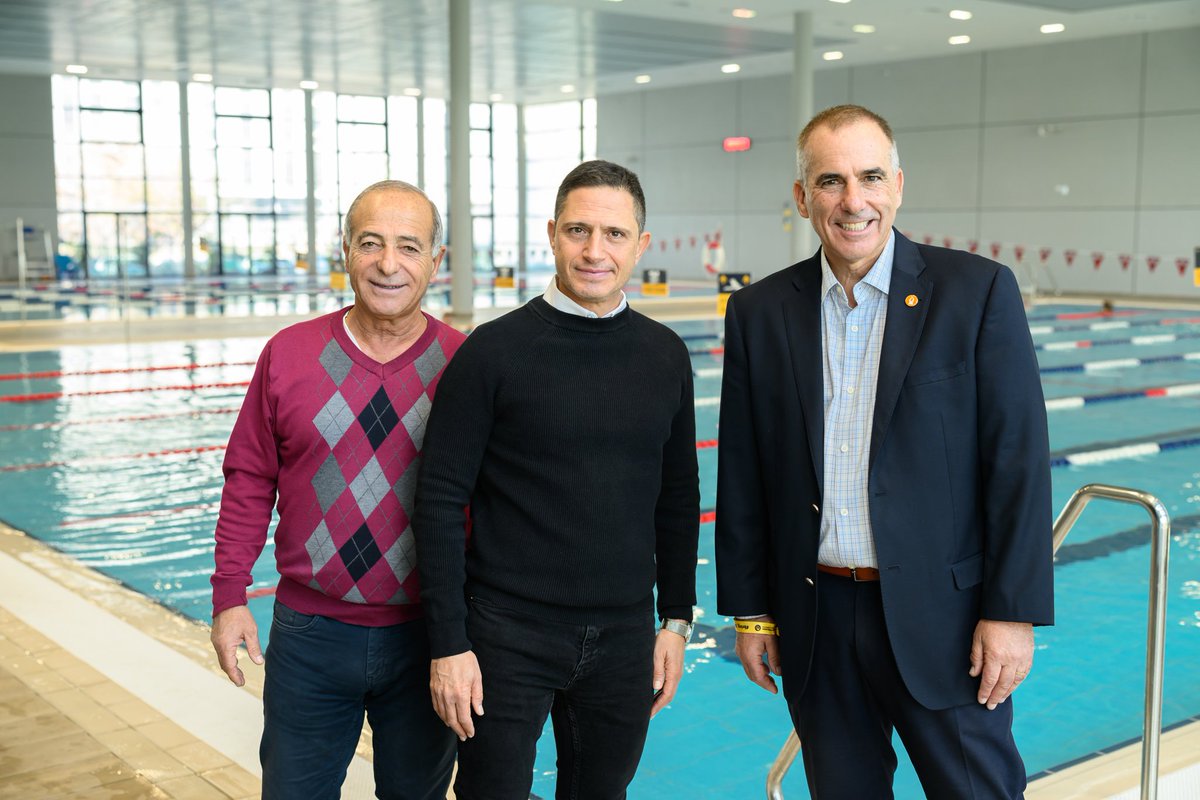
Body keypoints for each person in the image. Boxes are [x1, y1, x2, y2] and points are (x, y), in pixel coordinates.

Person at [715, 105, 1054, 799]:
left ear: (897, 184)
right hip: (817, 616)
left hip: (949, 622)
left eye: (870, 177)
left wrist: (1011, 612)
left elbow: (1017, 460)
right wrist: (750, 611)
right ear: (803, 197)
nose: (853, 200)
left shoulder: (976, 292)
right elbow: (746, 470)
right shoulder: (761, 311)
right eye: (831, 181)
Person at [413, 159, 700, 800]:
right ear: (551, 234)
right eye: (578, 231)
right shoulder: (491, 352)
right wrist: (449, 643)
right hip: (505, 633)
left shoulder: (664, 355)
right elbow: (437, 501)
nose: (595, 251)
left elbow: (678, 498)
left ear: (641, 245)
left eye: (615, 234)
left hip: (625, 637)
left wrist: (675, 621)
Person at [209, 180, 463, 800]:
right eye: (370, 243)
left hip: (428, 638)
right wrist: (229, 594)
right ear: (345, 250)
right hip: (309, 634)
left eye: (409, 246)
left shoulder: (466, 364)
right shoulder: (289, 354)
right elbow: (248, 477)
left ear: (436, 260)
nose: (388, 263)